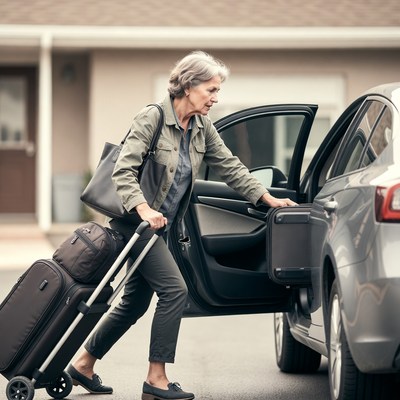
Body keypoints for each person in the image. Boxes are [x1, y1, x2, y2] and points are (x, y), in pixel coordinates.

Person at [67, 50, 297, 400]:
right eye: (211, 90)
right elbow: (122, 170)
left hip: (162, 229)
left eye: (218, 91)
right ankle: (155, 380)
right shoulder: (153, 118)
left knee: (133, 304)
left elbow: (230, 167)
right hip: (136, 225)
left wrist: (267, 199)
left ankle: (83, 364)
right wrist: (143, 208)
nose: (215, 97)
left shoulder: (202, 127)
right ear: (188, 86)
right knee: (175, 291)